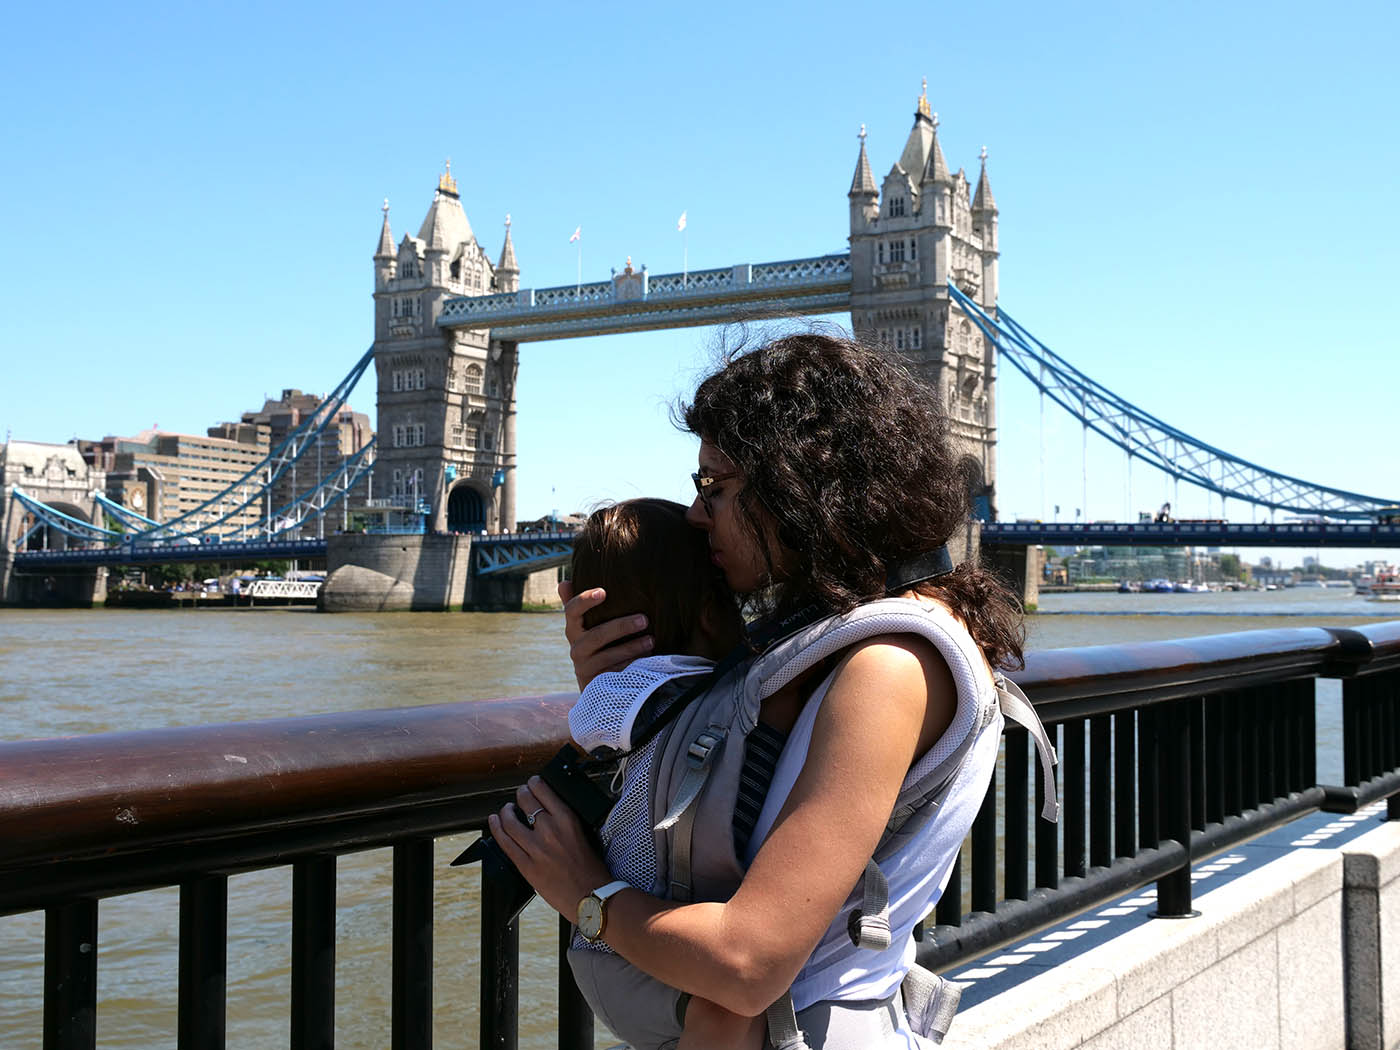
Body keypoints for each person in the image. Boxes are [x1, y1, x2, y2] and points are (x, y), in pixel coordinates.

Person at [488, 331, 1030, 1048]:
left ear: (799, 485)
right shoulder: (829, 636)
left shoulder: (889, 665)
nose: (694, 515)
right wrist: (624, 698)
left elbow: (747, 963)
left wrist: (587, 896)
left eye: (715, 487)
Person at [564, 497, 764, 1050]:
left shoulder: (629, 692)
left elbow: (593, 727)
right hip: (648, 945)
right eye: (733, 604)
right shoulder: (692, 690)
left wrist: (599, 677)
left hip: (615, 951)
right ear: (709, 612)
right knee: (729, 1016)